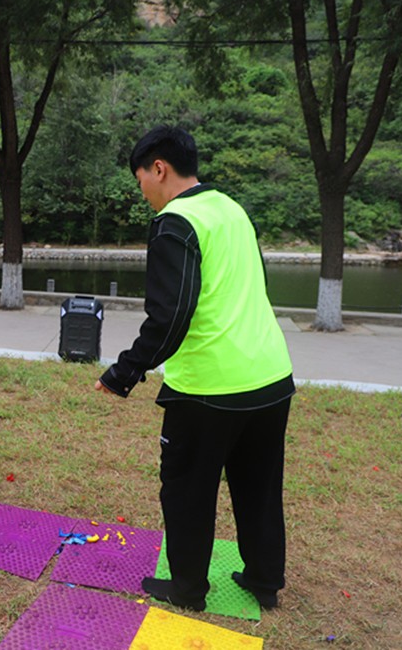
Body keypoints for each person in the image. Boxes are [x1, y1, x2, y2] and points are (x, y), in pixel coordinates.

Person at [94, 126, 294, 612]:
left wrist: (124, 372)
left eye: (140, 179)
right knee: (259, 486)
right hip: (270, 376)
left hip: (208, 388)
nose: (142, 191)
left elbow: (171, 314)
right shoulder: (231, 208)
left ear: (158, 168)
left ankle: (187, 590)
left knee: (187, 490)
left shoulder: (174, 222)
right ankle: (264, 581)